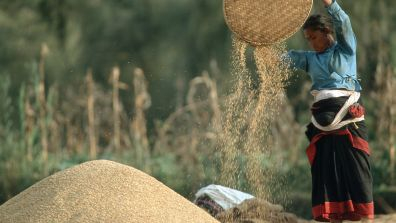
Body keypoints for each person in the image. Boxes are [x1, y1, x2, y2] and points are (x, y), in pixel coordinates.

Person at [286, 0, 374, 222]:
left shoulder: (346, 49)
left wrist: (330, 3)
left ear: (326, 32)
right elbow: (285, 59)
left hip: (348, 117)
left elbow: (343, 21)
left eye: (314, 37)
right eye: (308, 40)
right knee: (326, 174)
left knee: (356, 172)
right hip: (321, 122)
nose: (312, 43)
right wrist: (262, 47)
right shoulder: (310, 59)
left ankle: (363, 217)